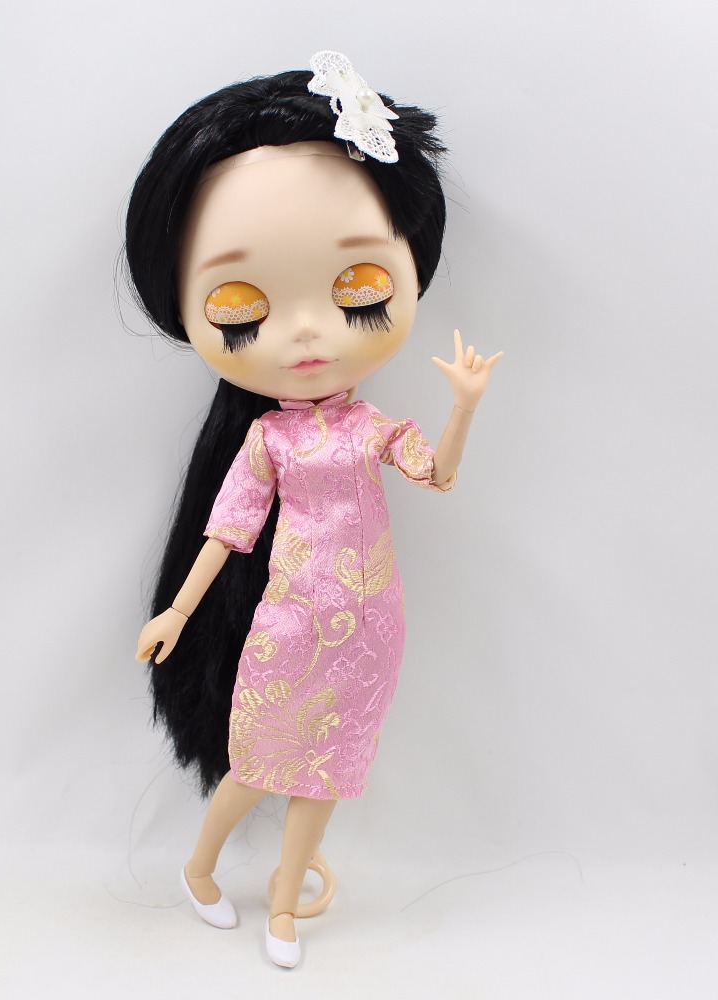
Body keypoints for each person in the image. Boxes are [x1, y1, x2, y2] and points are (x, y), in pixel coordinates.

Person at [125, 52, 501, 969]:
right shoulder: (270, 441)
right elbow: (228, 532)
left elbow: (437, 475)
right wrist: (177, 611)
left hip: (371, 625)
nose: (304, 333)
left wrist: (462, 408)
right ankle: (201, 869)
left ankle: (286, 906)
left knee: (329, 770)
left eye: (357, 290)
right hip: (289, 622)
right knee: (257, 764)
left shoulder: (373, 428)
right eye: (240, 305)